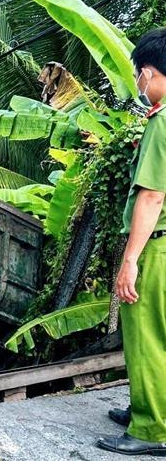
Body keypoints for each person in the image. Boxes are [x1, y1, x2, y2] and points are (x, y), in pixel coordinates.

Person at [97, 28, 166, 456]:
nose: (139, 84)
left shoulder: (161, 124)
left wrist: (130, 261)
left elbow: (152, 194)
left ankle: (151, 430)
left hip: (157, 245)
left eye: (140, 75)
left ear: (150, 72)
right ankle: (148, 408)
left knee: (147, 338)